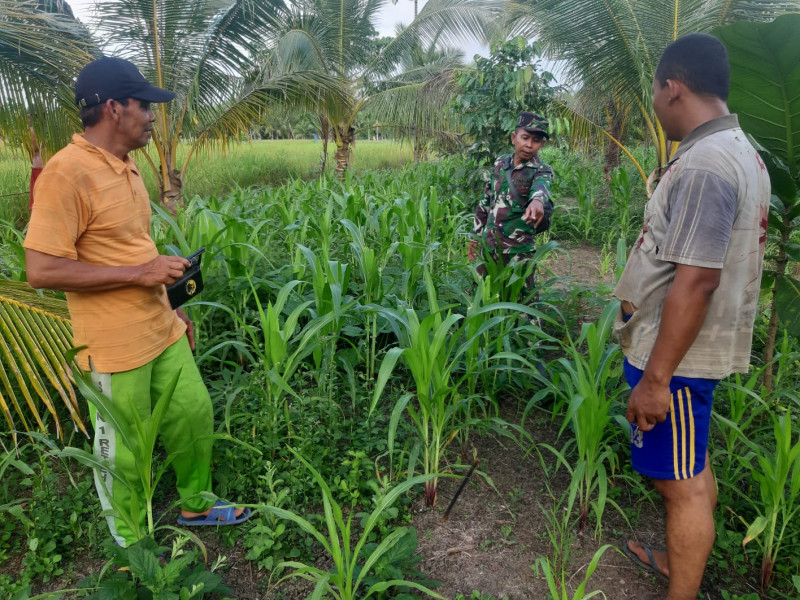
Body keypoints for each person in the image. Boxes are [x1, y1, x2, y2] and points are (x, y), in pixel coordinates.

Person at [23, 57, 251, 548]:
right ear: (113, 108)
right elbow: (40, 269)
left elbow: (131, 247)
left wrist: (173, 301)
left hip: (159, 325)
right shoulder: (67, 173)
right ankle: (132, 551)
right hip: (114, 344)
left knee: (193, 413)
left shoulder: (124, 167)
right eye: (144, 106)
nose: (152, 116)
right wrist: (139, 273)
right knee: (124, 452)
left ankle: (196, 503)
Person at [614, 34, 770, 600]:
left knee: (677, 483)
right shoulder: (736, 149)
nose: (655, 104)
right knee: (688, 465)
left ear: (672, 87)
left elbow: (697, 280)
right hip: (678, 352)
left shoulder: (706, 163)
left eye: (655, 92)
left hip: (674, 358)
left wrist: (656, 379)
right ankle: (679, 561)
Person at [468, 111, 554, 295]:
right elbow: (486, 201)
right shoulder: (500, 164)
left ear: (542, 144)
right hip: (490, 244)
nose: (529, 145)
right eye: (525, 138)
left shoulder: (541, 170)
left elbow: (541, 188)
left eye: (536, 141)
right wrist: (475, 236)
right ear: (514, 138)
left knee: (523, 301)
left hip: (518, 251)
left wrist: (537, 201)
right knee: (483, 294)